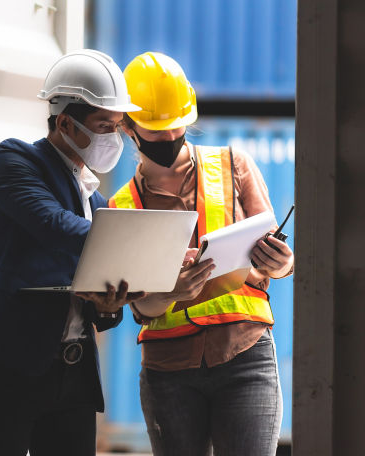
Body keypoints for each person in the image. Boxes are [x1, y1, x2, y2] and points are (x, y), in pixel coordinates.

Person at [108, 52, 295, 456]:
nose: (171, 137)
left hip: (245, 354)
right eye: (157, 131)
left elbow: (277, 253)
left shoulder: (234, 166)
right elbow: (142, 308)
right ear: (128, 127)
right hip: (169, 371)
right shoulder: (124, 206)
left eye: (178, 126)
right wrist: (172, 291)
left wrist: (282, 263)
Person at [0, 49, 146, 456]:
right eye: (104, 125)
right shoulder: (14, 161)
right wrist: (133, 244)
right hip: (9, 368)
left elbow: (95, 293)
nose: (113, 138)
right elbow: (54, 226)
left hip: (74, 373)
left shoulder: (96, 201)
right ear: (66, 122)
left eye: (117, 127)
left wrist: (110, 300)